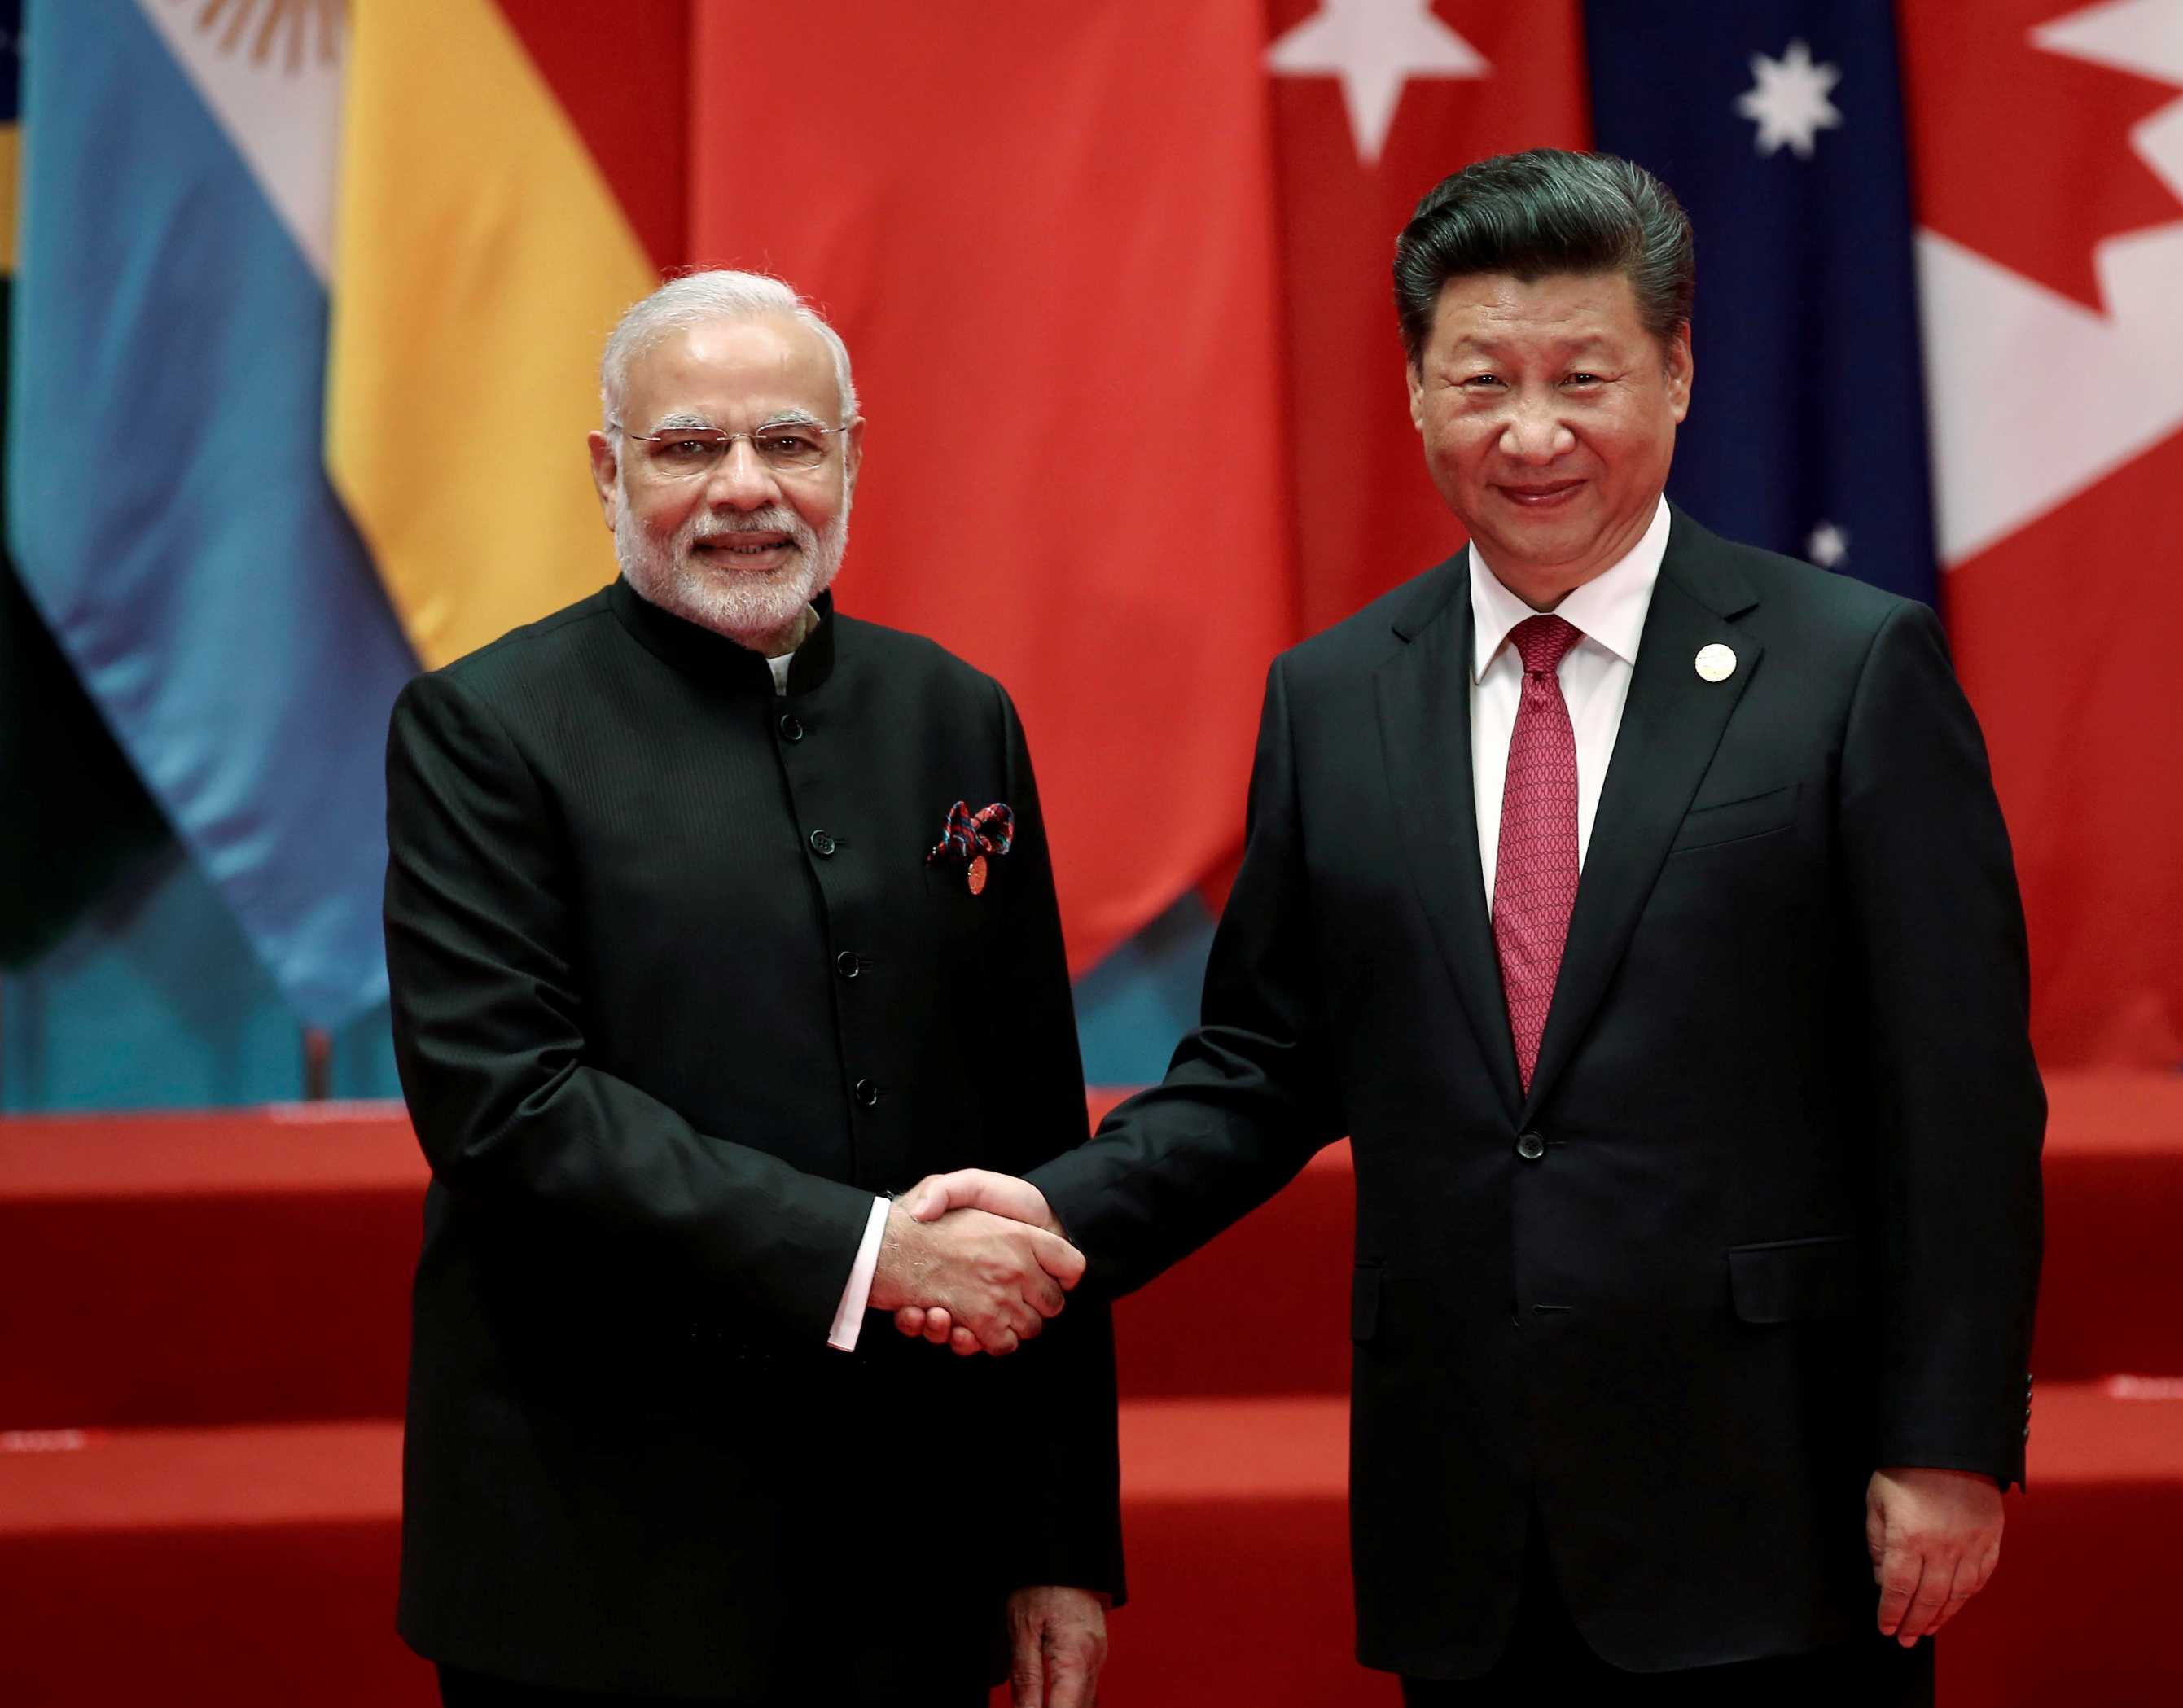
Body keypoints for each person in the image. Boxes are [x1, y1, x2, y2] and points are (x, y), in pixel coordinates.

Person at [901, 151, 2044, 1703]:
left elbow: (1960, 1096)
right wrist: (1054, 1216)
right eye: (1482, 380)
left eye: (1585, 377)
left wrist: (1948, 1441)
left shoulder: (1851, 672)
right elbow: (1262, 1064)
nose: (1533, 433)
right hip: (1469, 1511)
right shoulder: (1336, 696)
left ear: (1679, 372)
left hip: (1772, 1498)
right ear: (1419, 391)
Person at [383, 269, 1120, 1708]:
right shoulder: (483, 730)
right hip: (596, 1562)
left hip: (912, 1555)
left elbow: (1037, 1140)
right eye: (686, 447)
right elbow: (509, 1107)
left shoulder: (954, 714)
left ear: (850, 456)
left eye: (788, 442)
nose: (743, 490)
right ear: (607, 471)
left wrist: (1059, 1538)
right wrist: (872, 1254)